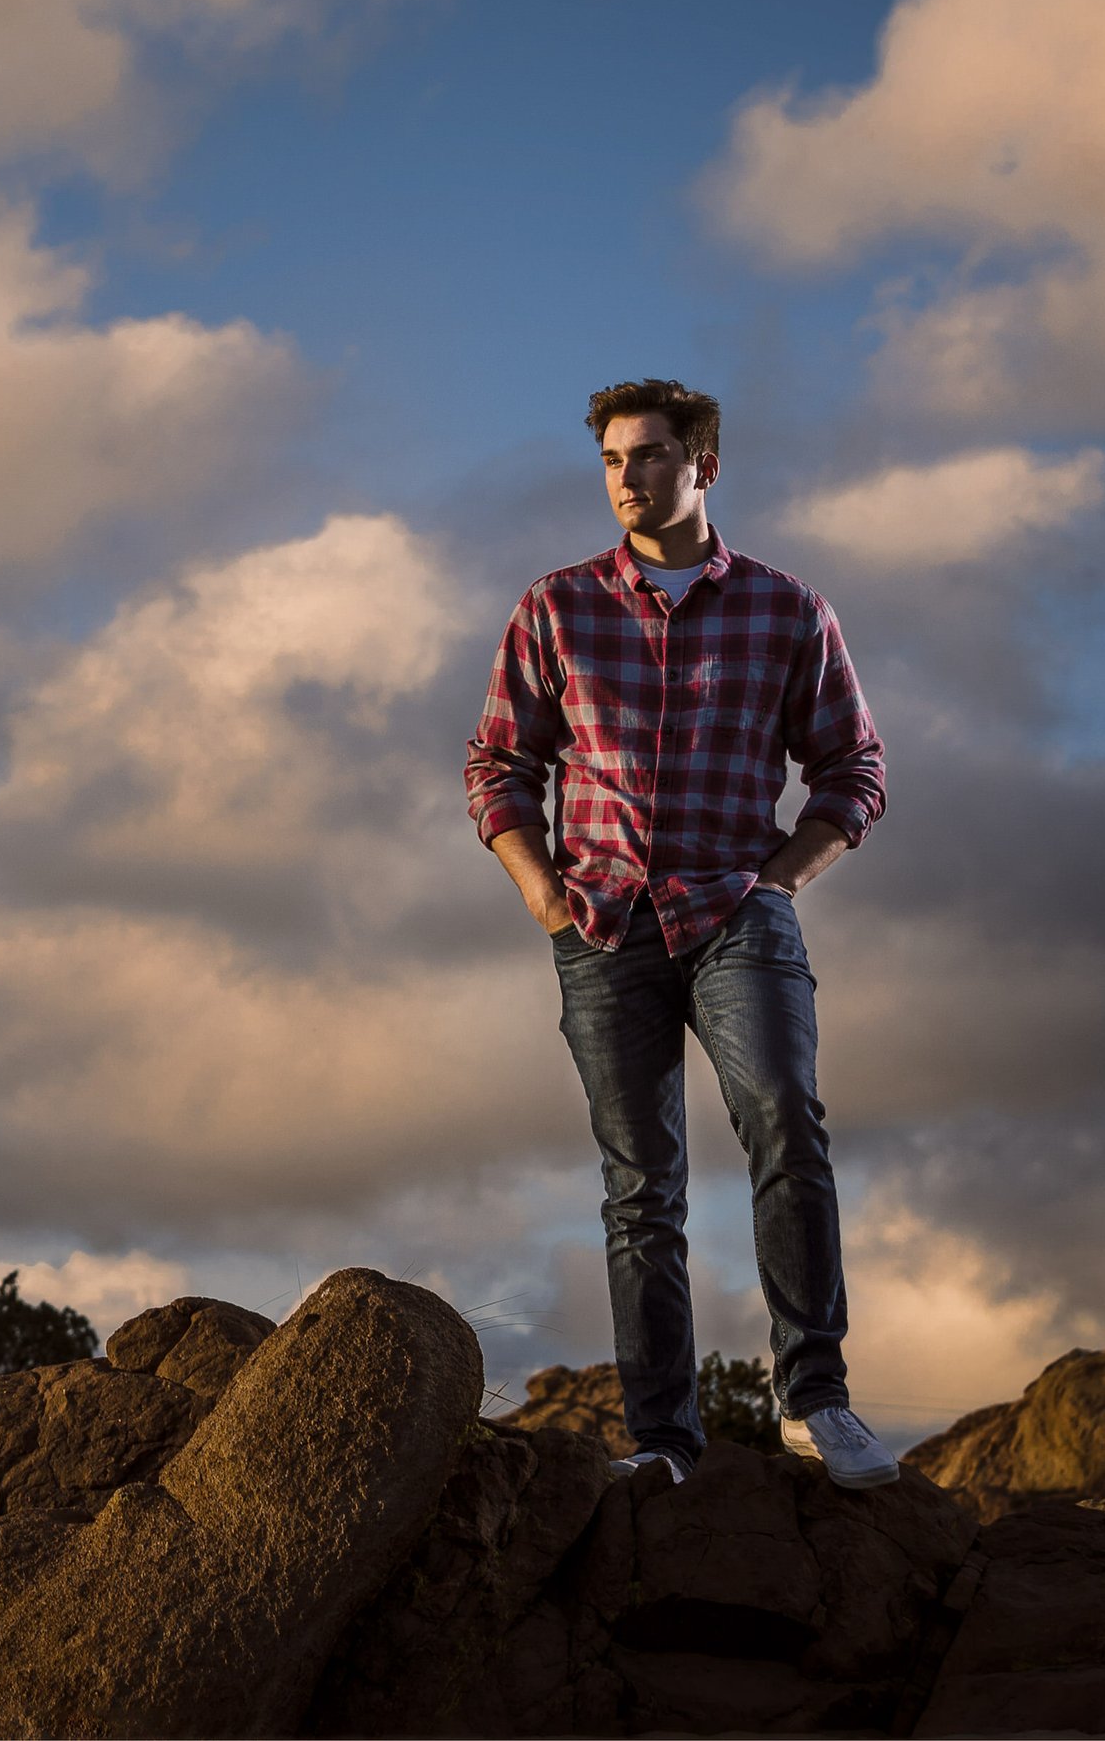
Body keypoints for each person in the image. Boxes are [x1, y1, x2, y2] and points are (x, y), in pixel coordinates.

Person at [465, 378, 898, 1490]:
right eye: (612, 458)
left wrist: (784, 882)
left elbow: (852, 766)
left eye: (650, 455)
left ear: (702, 465)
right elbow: (496, 766)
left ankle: (816, 1399)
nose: (627, 476)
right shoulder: (555, 608)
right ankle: (662, 1441)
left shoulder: (784, 608)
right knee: (639, 1186)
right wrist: (539, 890)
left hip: (731, 910)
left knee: (781, 1119)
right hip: (601, 926)